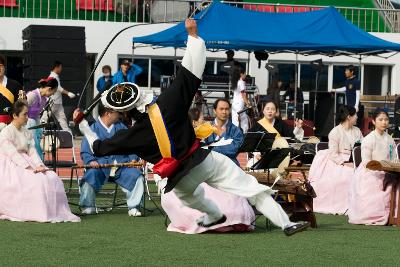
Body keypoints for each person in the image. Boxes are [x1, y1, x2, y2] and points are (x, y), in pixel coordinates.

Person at [74, 19, 309, 236]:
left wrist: (82, 123)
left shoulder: (132, 135)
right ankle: (286, 224)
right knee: (252, 189)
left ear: (126, 112)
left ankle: (214, 215)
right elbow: (191, 70)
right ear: (141, 96)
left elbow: (97, 147)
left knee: (189, 196)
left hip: (180, 178)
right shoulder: (169, 102)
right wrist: (193, 36)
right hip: (204, 160)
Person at [160, 104, 255, 234]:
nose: (204, 121)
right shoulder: (195, 133)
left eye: (227, 109)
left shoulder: (229, 130)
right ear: (194, 122)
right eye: (202, 119)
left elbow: (232, 149)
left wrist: (212, 146)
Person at [0, 100, 80, 223]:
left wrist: (40, 165)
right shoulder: (6, 132)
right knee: (36, 179)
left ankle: (52, 211)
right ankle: (34, 212)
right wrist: (29, 168)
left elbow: (32, 151)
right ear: (15, 116)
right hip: (10, 164)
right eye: (24, 114)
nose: (27, 117)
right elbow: (12, 154)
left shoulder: (26, 132)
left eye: (27, 114)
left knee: (52, 177)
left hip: (26, 160)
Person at [80, 103, 144, 216]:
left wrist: (133, 159)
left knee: (136, 175)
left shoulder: (122, 127)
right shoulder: (92, 129)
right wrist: (90, 161)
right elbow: (85, 151)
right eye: (117, 112)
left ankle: (134, 206)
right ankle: (88, 206)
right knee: (90, 175)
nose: (120, 115)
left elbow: (132, 146)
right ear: (108, 113)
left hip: (122, 166)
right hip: (100, 166)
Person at [308, 106, 363, 215]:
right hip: (337, 160)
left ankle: (361, 205)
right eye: (355, 115)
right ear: (349, 117)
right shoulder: (335, 132)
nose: (357, 117)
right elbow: (333, 154)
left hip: (354, 158)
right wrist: (345, 163)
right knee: (347, 175)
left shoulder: (357, 130)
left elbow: (362, 146)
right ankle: (346, 205)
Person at [348, 109, 395, 225]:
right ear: (373, 122)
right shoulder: (369, 139)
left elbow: (393, 158)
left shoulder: (390, 139)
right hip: (371, 171)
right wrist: (381, 169)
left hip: (387, 170)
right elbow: (366, 162)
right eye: (380, 120)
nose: (384, 122)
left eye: (386, 120)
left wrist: (389, 167)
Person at [26, 77, 59, 159]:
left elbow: (37, 115)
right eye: (53, 92)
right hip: (26, 125)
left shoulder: (44, 99)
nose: (53, 94)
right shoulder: (32, 95)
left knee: (39, 144)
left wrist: (40, 130)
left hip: (34, 124)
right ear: (49, 89)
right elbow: (21, 111)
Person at [204, 98, 244, 166]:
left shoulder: (236, 130)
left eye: (227, 109)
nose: (224, 112)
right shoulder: (206, 127)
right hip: (209, 165)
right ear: (214, 110)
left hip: (230, 166)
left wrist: (222, 134)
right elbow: (202, 150)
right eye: (221, 109)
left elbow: (232, 151)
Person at [41, 61, 76, 132]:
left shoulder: (55, 76)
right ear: (57, 67)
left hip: (58, 103)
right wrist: (68, 93)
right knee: (45, 118)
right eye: (60, 67)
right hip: (53, 101)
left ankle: (68, 134)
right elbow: (58, 88)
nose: (61, 69)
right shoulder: (52, 76)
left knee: (62, 120)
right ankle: (40, 132)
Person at [0, 54, 23, 128]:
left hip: (10, 126)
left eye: (1, 65)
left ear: (4, 67)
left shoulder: (15, 85)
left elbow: (21, 106)